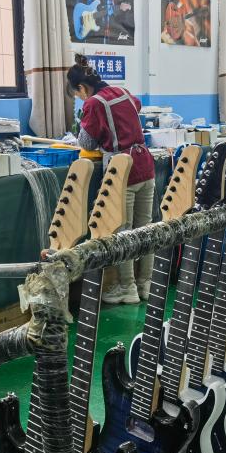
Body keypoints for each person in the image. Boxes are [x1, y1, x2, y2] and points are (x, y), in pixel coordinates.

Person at [68, 53, 154, 305]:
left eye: (77, 94)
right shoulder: (122, 92)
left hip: (122, 170)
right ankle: (146, 283)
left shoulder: (94, 103)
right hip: (144, 164)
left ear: (82, 87)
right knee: (147, 229)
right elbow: (136, 106)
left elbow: (86, 142)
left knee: (123, 231)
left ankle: (127, 288)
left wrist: (83, 119)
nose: (79, 98)